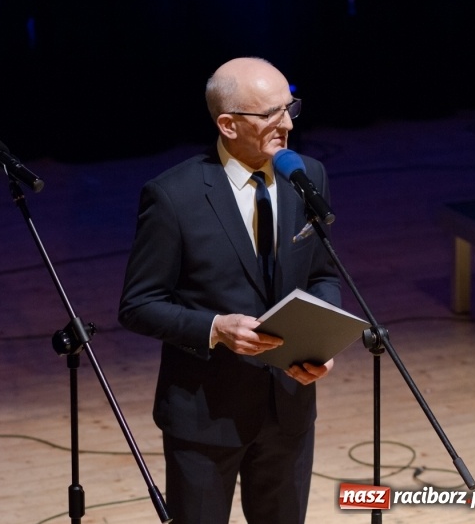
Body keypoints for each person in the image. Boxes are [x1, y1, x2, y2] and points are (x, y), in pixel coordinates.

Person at [118, 57, 340, 524]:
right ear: (228, 123)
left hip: (289, 411)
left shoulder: (308, 177)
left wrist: (319, 341)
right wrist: (215, 328)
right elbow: (138, 305)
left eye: (290, 108)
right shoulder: (172, 196)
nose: (287, 124)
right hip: (206, 418)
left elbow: (323, 274)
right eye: (270, 114)